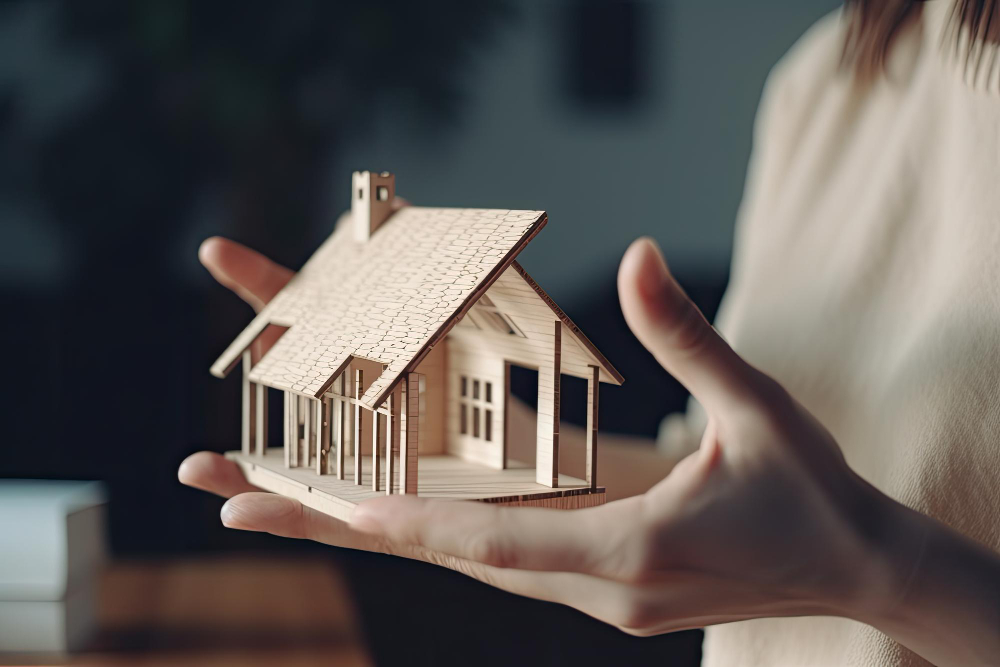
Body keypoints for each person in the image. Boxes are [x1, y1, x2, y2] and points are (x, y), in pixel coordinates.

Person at [179, 2, 1000, 665]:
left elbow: (837, 533)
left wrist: (892, 576)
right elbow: (720, 475)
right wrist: (491, 453)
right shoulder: (828, 79)